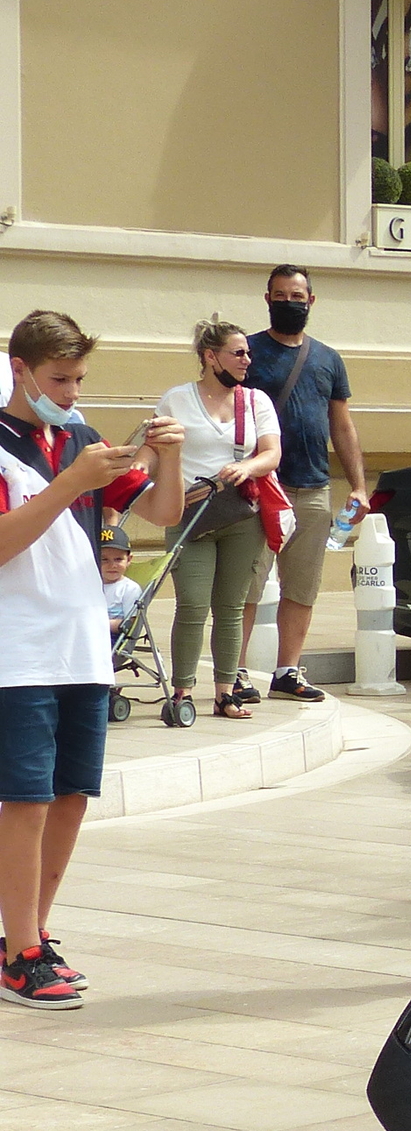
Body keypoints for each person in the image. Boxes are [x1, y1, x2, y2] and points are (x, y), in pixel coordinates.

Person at [0, 311, 184, 1007]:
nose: (72, 392)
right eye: (59, 379)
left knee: (73, 793)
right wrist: (70, 483)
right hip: (16, 648)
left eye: (78, 378)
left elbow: (162, 514)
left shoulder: (79, 438)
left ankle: (34, 935)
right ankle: (18, 951)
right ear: (20, 370)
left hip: (82, 644)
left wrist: (167, 456)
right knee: (26, 799)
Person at [245, 264, 366, 703]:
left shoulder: (328, 358)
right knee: (248, 584)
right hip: (261, 488)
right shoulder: (249, 352)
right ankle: (235, 673)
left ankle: (287, 671)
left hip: (313, 488)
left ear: (311, 301)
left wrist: (358, 486)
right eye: (280, 296)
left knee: (302, 586)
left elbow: (343, 427)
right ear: (267, 299)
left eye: (297, 296)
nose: (289, 304)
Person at [156, 320, 282, 720]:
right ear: (210, 357)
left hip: (241, 514)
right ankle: (182, 692)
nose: (248, 359)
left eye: (247, 353)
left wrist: (248, 467)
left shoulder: (255, 401)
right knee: (192, 604)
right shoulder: (177, 399)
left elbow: (272, 454)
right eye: (238, 352)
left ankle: (226, 691)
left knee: (231, 606)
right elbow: (154, 448)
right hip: (189, 514)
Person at [98, 523, 142, 628]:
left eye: (118, 559)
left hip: (112, 635)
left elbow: (129, 623)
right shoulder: (89, 584)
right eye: (104, 560)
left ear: (129, 560)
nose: (112, 565)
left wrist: (97, 625)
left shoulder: (130, 589)